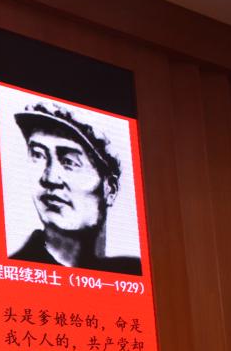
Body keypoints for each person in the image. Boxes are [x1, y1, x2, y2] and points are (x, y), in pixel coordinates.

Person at [10, 104, 141, 275]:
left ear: (110, 189)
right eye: (38, 155)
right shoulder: (18, 268)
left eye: (70, 162)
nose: (49, 178)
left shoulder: (131, 272)